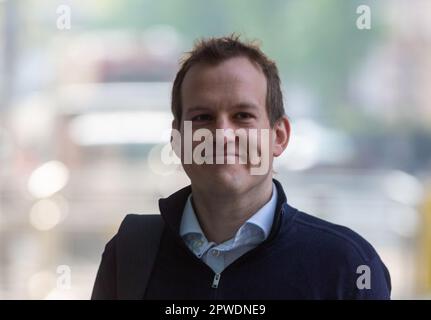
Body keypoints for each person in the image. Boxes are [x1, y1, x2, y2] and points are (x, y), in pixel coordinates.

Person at [92, 35, 391, 300]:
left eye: (243, 115)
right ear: (177, 139)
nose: (222, 135)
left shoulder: (347, 267)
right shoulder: (129, 255)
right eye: (202, 117)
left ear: (279, 136)